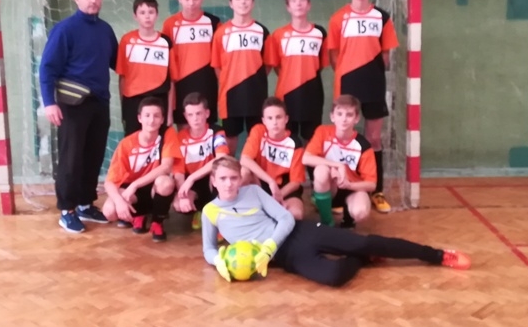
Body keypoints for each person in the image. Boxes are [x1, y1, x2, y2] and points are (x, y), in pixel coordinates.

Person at [201, 156, 471, 287]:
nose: (229, 184)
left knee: (364, 242)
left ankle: (437, 255)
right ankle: (363, 259)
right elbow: (209, 248)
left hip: (300, 234)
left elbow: (285, 217)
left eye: (233, 178)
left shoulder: (253, 191)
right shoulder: (210, 212)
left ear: (240, 178)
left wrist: (269, 246)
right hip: (288, 259)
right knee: (334, 277)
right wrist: (219, 262)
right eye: (223, 179)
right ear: (213, 181)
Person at [39, 0, 118, 233]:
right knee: (71, 159)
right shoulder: (64, 30)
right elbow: (47, 68)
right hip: (71, 105)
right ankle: (67, 210)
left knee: (93, 156)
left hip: (99, 103)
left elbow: (119, 63)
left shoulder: (105, 30)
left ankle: (85, 204)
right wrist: (49, 103)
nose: (93, 0)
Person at [326, 0, 399, 214]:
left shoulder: (382, 17)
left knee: (374, 139)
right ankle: (341, 190)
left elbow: (386, 55)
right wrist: (350, 71)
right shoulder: (338, 18)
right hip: (347, 84)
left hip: (374, 84)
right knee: (344, 138)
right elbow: (334, 56)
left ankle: (376, 190)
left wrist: (371, 72)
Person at [102, 97, 180, 242]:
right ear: (139, 118)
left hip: (153, 187)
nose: (151, 120)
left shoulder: (168, 134)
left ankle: (157, 222)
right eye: (147, 115)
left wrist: (135, 185)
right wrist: (119, 201)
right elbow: (109, 182)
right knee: (109, 211)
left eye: (156, 116)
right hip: (134, 193)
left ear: (162, 119)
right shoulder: (126, 144)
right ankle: (138, 215)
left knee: (166, 183)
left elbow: (166, 167)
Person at [211, 0, 269, 155]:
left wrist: (254, 80)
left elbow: (268, 65)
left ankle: (253, 171)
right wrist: (230, 81)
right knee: (230, 137)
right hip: (230, 95)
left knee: (257, 136)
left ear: (253, 2)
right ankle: (229, 171)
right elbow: (217, 66)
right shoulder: (221, 33)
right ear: (231, 3)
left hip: (256, 94)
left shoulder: (262, 31)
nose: (243, 1)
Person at [264, 0, 328, 143]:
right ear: (288, 7)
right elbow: (276, 66)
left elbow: (321, 63)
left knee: (311, 140)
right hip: (286, 95)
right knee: (287, 139)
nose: (298, 3)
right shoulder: (278, 35)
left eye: (302, 0)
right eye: (294, 0)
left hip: (312, 93)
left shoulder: (319, 33)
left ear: (309, 5)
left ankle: (310, 161)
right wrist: (291, 76)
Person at [302, 95, 375, 229]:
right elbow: (306, 158)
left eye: (349, 115)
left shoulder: (363, 145)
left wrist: (349, 185)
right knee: (321, 171)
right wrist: (337, 166)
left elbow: (371, 184)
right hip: (331, 187)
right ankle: (327, 222)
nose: (344, 119)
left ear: (357, 118)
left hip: (352, 188)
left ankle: (348, 219)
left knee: (360, 211)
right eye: (339, 114)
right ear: (332, 116)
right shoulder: (323, 132)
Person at [162, 0, 221, 128]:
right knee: (183, 130)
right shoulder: (170, 24)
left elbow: (220, 59)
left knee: (207, 130)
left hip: (207, 84)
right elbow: (166, 61)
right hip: (181, 86)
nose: (191, 3)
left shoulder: (214, 23)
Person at [117, 0, 175, 135]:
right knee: (133, 142)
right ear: (135, 16)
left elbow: (172, 81)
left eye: (151, 12)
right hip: (133, 102)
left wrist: (169, 114)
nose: (147, 16)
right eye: (142, 12)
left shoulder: (166, 42)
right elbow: (122, 77)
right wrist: (124, 109)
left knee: (159, 143)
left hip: (159, 99)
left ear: (157, 15)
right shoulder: (127, 40)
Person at [240, 97, 306, 220]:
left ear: (286, 119)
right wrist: (271, 182)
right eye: (270, 118)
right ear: (264, 121)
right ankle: (238, 208)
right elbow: (245, 159)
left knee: (296, 214)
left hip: (284, 188)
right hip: (261, 183)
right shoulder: (258, 130)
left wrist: (276, 197)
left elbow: (295, 182)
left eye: (278, 117)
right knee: (244, 171)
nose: (274, 122)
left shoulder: (295, 143)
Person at [173, 92, 230, 230]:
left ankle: (220, 220)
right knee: (178, 204)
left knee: (221, 174)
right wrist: (183, 194)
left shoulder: (217, 131)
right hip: (193, 184)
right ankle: (201, 211)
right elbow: (178, 172)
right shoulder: (180, 138)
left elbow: (221, 157)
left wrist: (191, 178)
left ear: (207, 113)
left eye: (199, 113)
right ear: (185, 116)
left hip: (210, 178)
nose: (195, 118)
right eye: (190, 115)